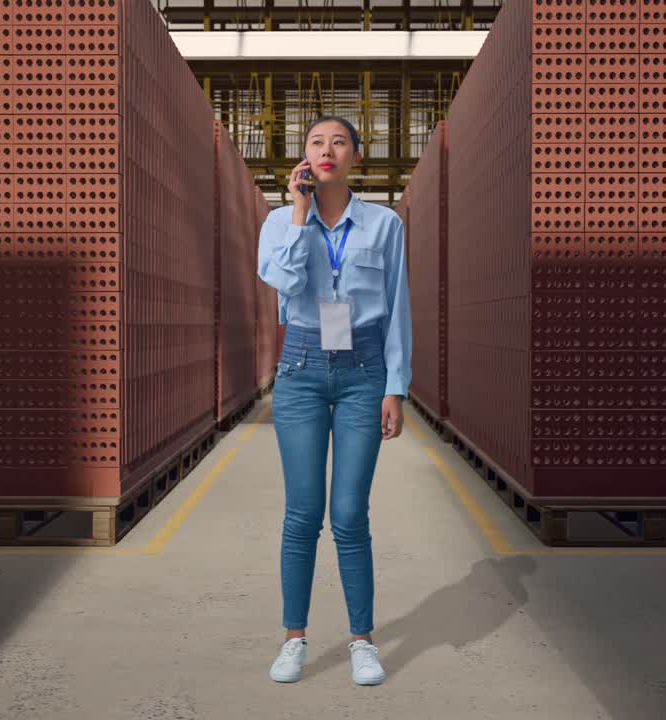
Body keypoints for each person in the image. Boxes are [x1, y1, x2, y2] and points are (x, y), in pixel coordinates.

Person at [255, 115, 413, 686]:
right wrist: (298, 214)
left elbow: (399, 306)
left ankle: (362, 641)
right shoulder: (277, 223)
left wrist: (396, 385)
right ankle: (294, 639)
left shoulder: (385, 224)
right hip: (300, 370)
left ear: (356, 157)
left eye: (339, 142)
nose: (328, 151)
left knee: (349, 515)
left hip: (363, 372)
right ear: (304, 158)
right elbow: (287, 285)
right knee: (302, 514)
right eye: (317, 142)